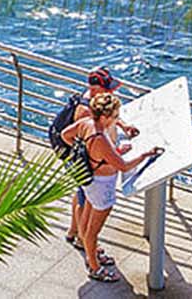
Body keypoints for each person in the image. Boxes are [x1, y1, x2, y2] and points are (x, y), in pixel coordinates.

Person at [61, 92, 161, 284]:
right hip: (102, 187)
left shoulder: (87, 124)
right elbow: (123, 166)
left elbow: (65, 135)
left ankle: (92, 254)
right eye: (115, 116)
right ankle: (95, 267)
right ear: (105, 116)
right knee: (93, 231)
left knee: (88, 220)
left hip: (90, 181)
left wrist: (83, 151)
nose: (117, 120)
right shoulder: (101, 138)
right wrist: (145, 155)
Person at [51, 68, 139, 258]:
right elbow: (91, 140)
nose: (112, 93)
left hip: (82, 157)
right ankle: (85, 242)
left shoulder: (92, 100)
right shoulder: (85, 113)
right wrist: (85, 154)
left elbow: (105, 115)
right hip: (83, 162)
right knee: (86, 199)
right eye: (108, 90)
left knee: (81, 193)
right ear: (97, 89)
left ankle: (74, 232)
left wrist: (123, 125)